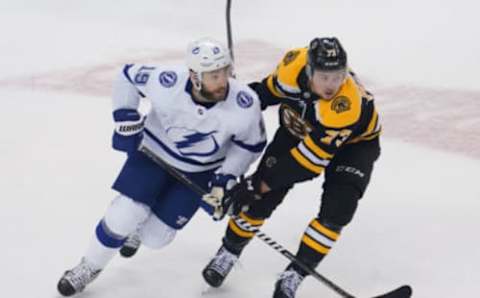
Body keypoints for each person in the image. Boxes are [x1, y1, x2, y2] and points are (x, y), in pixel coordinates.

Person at [56, 37, 266, 297]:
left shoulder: (245, 103)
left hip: (201, 172)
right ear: (194, 76)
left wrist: (226, 178)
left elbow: (250, 145)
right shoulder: (169, 81)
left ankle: (137, 229)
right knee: (124, 214)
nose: (222, 81)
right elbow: (127, 77)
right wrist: (125, 115)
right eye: (214, 75)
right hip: (154, 155)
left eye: (224, 72)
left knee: (156, 238)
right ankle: (88, 266)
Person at [201, 37, 382, 298]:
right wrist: (227, 104)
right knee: (258, 200)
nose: (332, 85)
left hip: (354, 146)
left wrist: (257, 182)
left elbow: (308, 164)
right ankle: (228, 252)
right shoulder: (292, 66)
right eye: (324, 77)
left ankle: (294, 274)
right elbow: (263, 94)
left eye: (337, 76)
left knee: (337, 211)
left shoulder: (346, 105)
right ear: (309, 70)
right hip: (298, 128)